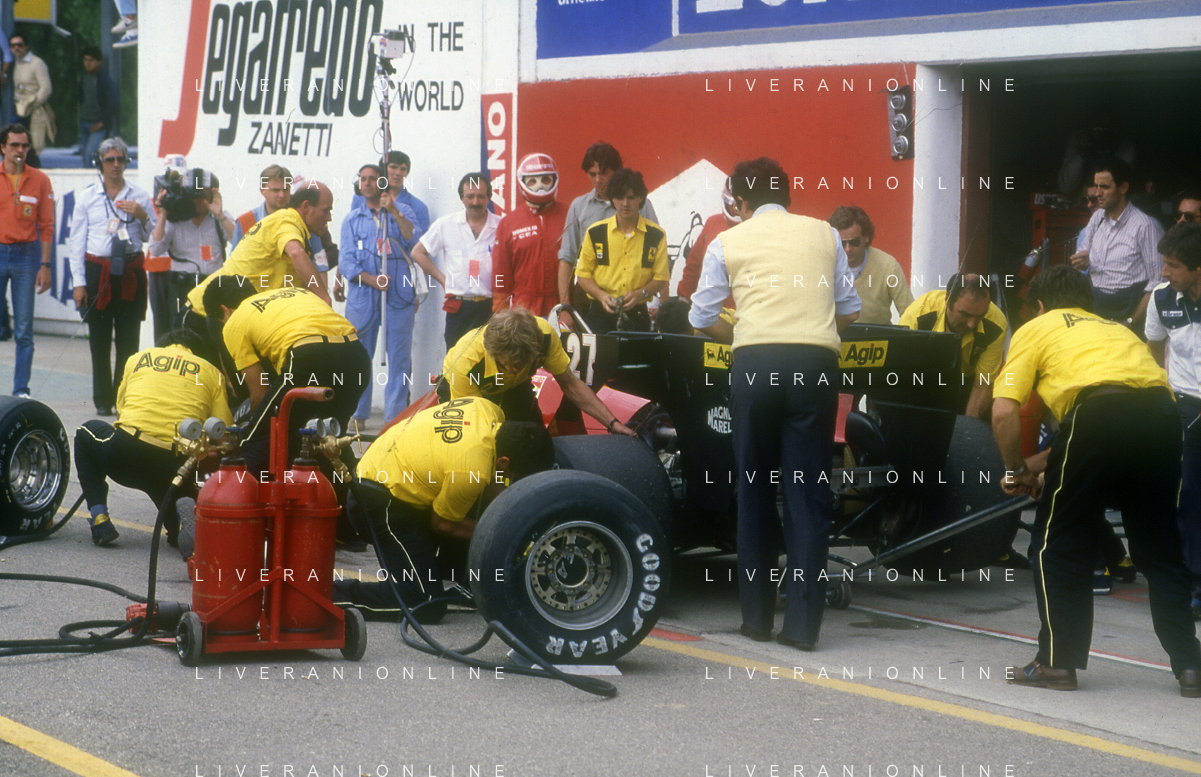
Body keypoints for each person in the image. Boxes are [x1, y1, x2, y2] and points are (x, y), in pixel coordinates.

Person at [993, 264, 1201, 696]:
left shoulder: (1037, 326)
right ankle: (1191, 666)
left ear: (1041, 304)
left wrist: (1015, 471)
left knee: (1056, 543)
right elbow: (1115, 407)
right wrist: (1037, 464)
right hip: (1161, 416)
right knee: (1160, 549)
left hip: (1096, 416)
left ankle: (1056, 663)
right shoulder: (1116, 329)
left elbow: (1003, 411)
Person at [688, 157, 861, 650]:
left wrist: (745, 335)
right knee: (808, 495)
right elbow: (849, 309)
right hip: (815, 365)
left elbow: (701, 316)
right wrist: (811, 332)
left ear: (741, 201)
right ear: (786, 194)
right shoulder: (825, 234)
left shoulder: (727, 240)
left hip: (754, 365)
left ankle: (757, 619)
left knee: (754, 489)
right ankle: (803, 628)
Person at [333, 397, 555, 622]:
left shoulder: (486, 409)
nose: (508, 481)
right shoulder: (470, 470)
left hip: (392, 471)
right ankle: (331, 595)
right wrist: (508, 535)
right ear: (504, 463)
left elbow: (489, 486)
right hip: (378, 504)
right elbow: (443, 524)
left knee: (475, 498)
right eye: (511, 477)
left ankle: (456, 575)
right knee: (424, 603)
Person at [73, 328, 233, 546]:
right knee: (180, 526)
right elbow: (223, 437)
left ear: (163, 345)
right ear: (197, 352)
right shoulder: (211, 371)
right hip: (173, 467)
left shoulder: (138, 358)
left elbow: (121, 414)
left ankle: (100, 518)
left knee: (86, 432)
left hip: (127, 454)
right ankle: (179, 530)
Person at [203, 277, 370, 480]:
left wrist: (257, 424)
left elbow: (259, 393)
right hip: (357, 358)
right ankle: (356, 495)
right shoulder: (296, 292)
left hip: (309, 359)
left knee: (252, 446)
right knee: (328, 443)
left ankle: (233, 496)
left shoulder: (234, 323)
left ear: (225, 310)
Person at [439, 307, 635, 434]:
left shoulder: (544, 336)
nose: (515, 370)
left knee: (534, 442)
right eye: (508, 365)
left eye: (522, 365)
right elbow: (472, 426)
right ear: (494, 353)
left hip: (515, 387)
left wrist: (613, 423)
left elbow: (571, 384)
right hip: (468, 393)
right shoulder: (466, 363)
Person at [68, 136, 155, 416]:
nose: (116, 165)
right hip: (98, 271)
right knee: (100, 340)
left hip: (129, 270)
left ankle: (124, 398)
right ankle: (103, 400)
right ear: (100, 163)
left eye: (120, 159)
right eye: (110, 160)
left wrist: (142, 216)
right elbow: (76, 243)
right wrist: (79, 283)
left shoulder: (139, 195)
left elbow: (153, 237)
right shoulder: (88, 197)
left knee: (129, 340)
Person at [1146, 222, 1201, 620]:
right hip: (1183, 406)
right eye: (1164, 263)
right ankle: (1192, 581)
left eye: (1174, 265)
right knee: (1189, 493)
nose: (1165, 272)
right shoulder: (1161, 297)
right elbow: (1152, 352)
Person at [339, 163, 420, 425]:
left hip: (399, 296)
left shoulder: (403, 211)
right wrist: (372, 280)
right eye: (362, 179)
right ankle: (358, 413)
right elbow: (347, 262)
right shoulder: (352, 219)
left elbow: (415, 242)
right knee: (360, 357)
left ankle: (393, 418)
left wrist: (393, 211)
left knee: (399, 357)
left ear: (382, 182)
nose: (366, 183)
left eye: (372, 179)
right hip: (363, 297)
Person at [558, 142, 658, 325]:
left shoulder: (640, 205)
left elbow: (657, 255)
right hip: (587, 300)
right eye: (592, 174)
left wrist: (659, 302)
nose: (598, 180)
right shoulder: (579, 207)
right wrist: (565, 308)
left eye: (604, 173)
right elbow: (567, 259)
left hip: (632, 300)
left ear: (617, 170)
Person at [1069, 158, 1164, 328]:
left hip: (1129, 308)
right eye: (1096, 186)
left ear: (1123, 188)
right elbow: (1083, 255)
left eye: (1104, 187)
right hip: (1096, 304)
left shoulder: (1145, 226)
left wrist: (1132, 321)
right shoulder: (1097, 218)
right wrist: (1081, 261)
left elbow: (1158, 283)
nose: (1097, 193)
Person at [575, 168, 670, 334]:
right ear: (612, 199)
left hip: (638, 315)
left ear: (641, 198)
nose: (625, 203)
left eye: (631, 197)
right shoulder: (595, 232)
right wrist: (601, 295)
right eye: (619, 197)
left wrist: (641, 293)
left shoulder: (656, 235)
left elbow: (661, 278)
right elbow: (582, 275)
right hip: (599, 314)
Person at [899, 274, 1007, 419]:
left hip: (967, 383)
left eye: (980, 316)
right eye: (965, 314)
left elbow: (982, 385)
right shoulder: (916, 317)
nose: (972, 324)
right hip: (922, 381)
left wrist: (967, 429)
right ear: (947, 299)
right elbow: (902, 379)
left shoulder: (996, 324)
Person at [412, 172, 500, 349]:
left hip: (491, 309)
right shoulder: (446, 224)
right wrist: (443, 280)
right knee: (455, 361)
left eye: (481, 196)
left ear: (489, 198)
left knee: (489, 360)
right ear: (462, 198)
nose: (475, 202)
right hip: (459, 309)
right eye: (470, 196)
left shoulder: (502, 225)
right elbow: (417, 252)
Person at [147, 168, 232, 342]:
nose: (196, 201)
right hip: (182, 287)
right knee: (181, 337)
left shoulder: (219, 219)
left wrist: (220, 215)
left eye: (202, 195)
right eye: (191, 195)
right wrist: (163, 214)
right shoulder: (174, 220)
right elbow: (155, 250)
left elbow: (240, 241)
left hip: (212, 286)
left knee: (213, 337)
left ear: (212, 195)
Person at [0, 124, 54, 398]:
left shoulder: (40, 179)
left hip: (25, 256)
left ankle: (21, 390)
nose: (20, 150)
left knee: (24, 329)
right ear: (3, 147)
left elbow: (47, 225)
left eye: (24, 145)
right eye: (14, 145)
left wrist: (45, 265)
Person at [230, 164, 334, 296]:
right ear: (262, 191)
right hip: (253, 296)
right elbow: (235, 268)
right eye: (275, 190)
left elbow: (320, 264)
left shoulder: (306, 221)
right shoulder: (246, 221)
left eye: (286, 189)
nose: (282, 195)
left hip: (291, 297)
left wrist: (324, 299)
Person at [491, 153, 566, 317]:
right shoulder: (509, 223)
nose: (540, 185)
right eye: (532, 180)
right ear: (522, 182)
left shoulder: (570, 215)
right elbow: (500, 271)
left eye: (545, 179)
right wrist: (500, 307)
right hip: (523, 306)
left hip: (562, 303)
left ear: (555, 179)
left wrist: (571, 307)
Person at [828, 205, 914, 324]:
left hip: (878, 334)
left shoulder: (888, 265)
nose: (848, 249)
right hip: (836, 334)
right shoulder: (826, 263)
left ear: (866, 237)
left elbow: (910, 312)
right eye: (842, 243)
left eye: (854, 242)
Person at [678, 176, 740, 305]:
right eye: (735, 206)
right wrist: (683, 298)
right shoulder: (712, 222)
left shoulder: (763, 228)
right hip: (707, 310)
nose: (739, 209)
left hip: (743, 311)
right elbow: (693, 265)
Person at [9, 35, 54, 154]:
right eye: (13, 45)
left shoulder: (37, 63)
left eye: (20, 45)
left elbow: (46, 88)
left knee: (32, 147)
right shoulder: (15, 63)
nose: (16, 48)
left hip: (34, 110)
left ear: (26, 46)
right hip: (18, 110)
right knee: (17, 147)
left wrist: (31, 105)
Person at [77, 47, 118, 169]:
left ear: (99, 62)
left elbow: (114, 101)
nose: (88, 63)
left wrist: (101, 123)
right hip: (85, 121)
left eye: (91, 60)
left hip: (98, 124)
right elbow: (81, 95)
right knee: (85, 156)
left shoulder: (104, 79)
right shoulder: (84, 77)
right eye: (85, 60)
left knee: (90, 155)